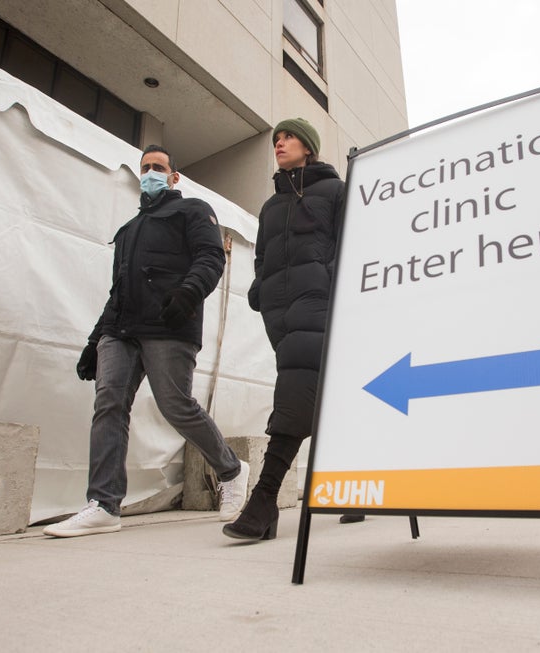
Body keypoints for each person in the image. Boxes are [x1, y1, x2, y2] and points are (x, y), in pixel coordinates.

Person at [44, 145, 249, 538]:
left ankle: (232, 469)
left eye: (158, 167)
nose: (150, 173)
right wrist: (94, 341)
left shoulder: (192, 210)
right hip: (120, 331)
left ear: (174, 176)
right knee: (109, 405)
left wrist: (188, 293)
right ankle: (104, 505)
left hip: (169, 324)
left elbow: (210, 257)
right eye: (145, 168)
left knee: (176, 405)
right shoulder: (128, 230)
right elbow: (118, 290)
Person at [223, 118, 358, 541]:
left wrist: (327, 279)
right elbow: (262, 257)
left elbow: (351, 242)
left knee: (294, 392)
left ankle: (263, 500)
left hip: (317, 302)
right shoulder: (271, 207)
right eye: (276, 139)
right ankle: (355, 486)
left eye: (288, 137)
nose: (279, 144)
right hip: (278, 313)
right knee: (323, 396)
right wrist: (260, 290)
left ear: (309, 147)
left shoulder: (335, 191)